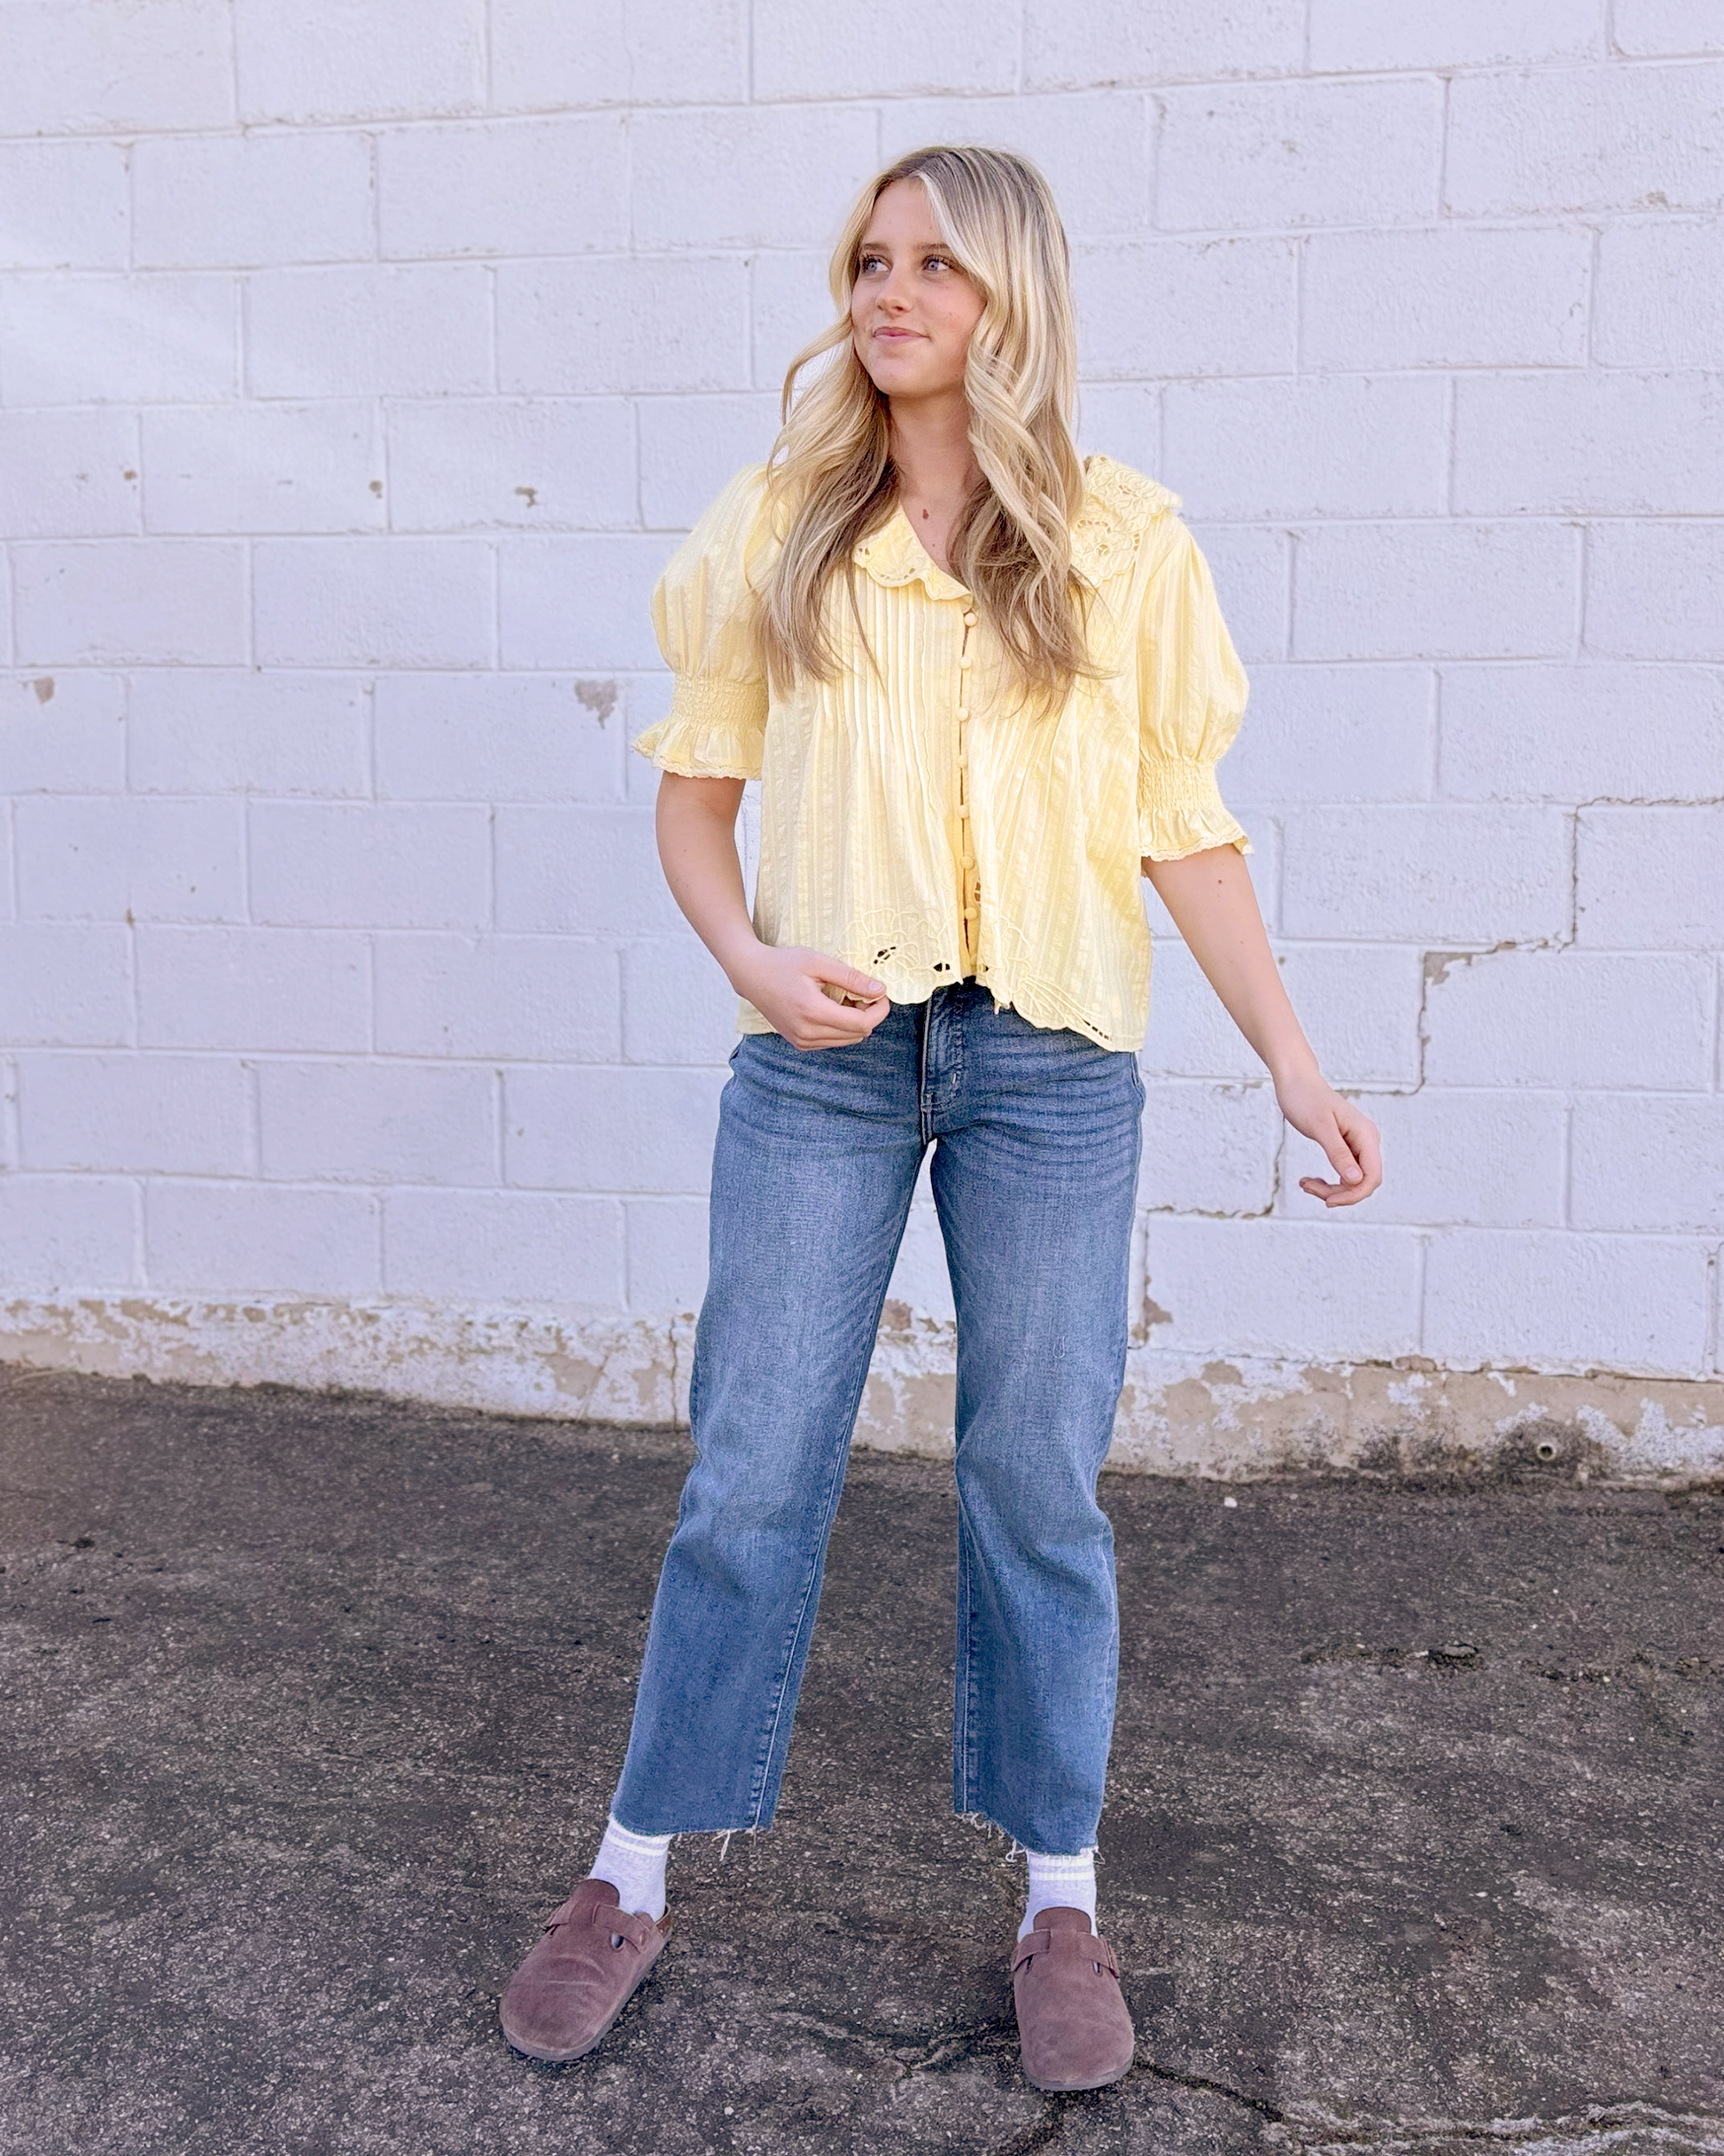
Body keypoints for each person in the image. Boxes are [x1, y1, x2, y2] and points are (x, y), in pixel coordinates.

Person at [498, 144, 1382, 2093]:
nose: (889, 292)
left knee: (1036, 1480)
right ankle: (630, 1869)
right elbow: (694, 792)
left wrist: (1296, 1065)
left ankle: (1058, 1893)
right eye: (868, 260)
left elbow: (1185, 824)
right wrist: (747, 959)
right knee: (749, 1462)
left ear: (1013, 295)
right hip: (824, 1060)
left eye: (935, 265)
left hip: (1054, 1065)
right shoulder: (780, 527)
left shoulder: (1124, 541)